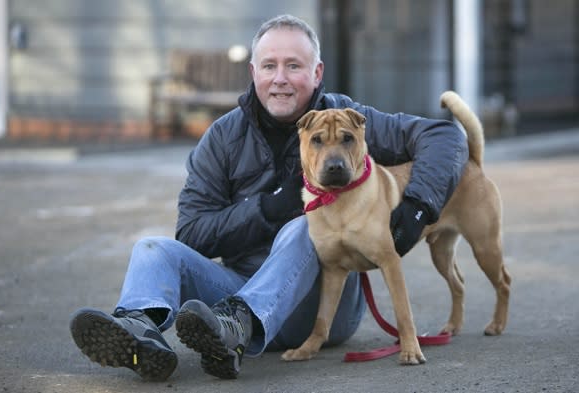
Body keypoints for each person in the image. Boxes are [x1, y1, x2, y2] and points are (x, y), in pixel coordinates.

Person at [69, 14, 468, 381]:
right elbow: (192, 233)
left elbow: (444, 136)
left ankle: (237, 326)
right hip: (235, 294)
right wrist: (263, 209)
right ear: (253, 72)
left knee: (303, 226)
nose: (280, 78)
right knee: (153, 248)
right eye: (269, 66)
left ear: (317, 73)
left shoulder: (346, 120)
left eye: (294, 66)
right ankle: (140, 331)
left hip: (316, 310)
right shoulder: (223, 137)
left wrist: (419, 205)